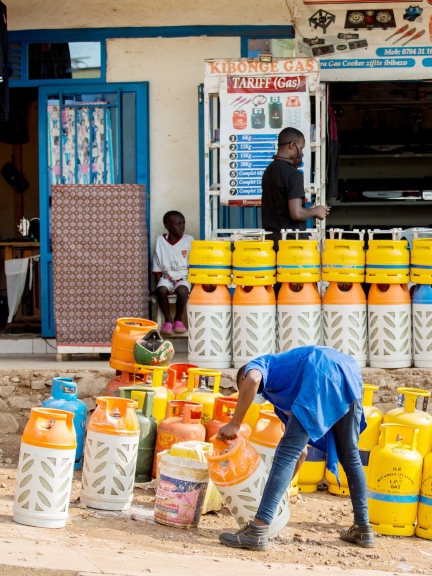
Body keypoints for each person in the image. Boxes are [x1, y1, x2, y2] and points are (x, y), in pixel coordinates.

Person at [217, 345, 374, 551]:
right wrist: (276, 493)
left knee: (285, 453)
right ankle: (363, 529)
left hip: (321, 368)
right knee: (350, 455)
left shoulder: (260, 364)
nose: (248, 395)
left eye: (243, 390)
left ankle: (257, 531)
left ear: (243, 379)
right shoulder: (286, 394)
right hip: (348, 372)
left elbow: (253, 381)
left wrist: (235, 423)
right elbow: (301, 452)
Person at [260, 127, 329, 244]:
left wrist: (307, 211)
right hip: (292, 242)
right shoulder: (293, 174)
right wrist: (316, 211)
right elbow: (296, 214)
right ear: (292, 145)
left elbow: (281, 209)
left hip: (270, 241)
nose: (301, 153)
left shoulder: (269, 170)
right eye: (301, 147)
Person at [152, 210, 193, 335]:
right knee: (161, 290)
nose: (182, 227)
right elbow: (157, 266)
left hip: (184, 278)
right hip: (167, 278)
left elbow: (193, 264)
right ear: (167, 226)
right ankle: (168, 320)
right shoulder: (160, 241)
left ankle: (178, 319)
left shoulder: (189, 240)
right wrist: (158, 285)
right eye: (178, 224)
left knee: (182, 290)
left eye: (183, 223)